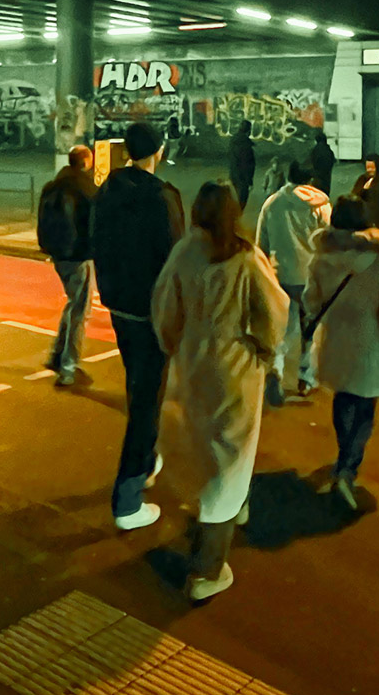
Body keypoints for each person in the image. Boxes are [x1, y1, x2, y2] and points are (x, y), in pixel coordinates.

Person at [153, 181, 289, 602]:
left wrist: (176, 344)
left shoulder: (184, 253)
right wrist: (264, 352)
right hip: (233, 365)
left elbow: (163, 310)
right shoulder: (245, 258)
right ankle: (207, 569)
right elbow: (273, 312)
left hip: (192, 360)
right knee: (232, 454)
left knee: (200, 445)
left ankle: (216, 514)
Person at [90, 120, 185, 531]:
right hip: (151, 309)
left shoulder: (108, 189)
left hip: (118, 304)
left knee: (139, 386)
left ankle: (146, 460)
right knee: (148, 398)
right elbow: (174, 256)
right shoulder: (163, 196)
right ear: (158, 152)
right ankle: (128, 498)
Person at [304, 194, 379, 506]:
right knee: (365, 409)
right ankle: (348, 467)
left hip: (336, 341)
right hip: (370, 342)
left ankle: (342, 458)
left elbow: (311, 302)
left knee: (343, 398)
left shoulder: (321, 258)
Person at [255, 159, 331, 405]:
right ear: (310, 180)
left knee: (281, 329)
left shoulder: (272, 204)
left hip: (281, 277)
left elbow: (261, 245)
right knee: (310, 330)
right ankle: (305, 379)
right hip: (312, 277)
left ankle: (275, 371)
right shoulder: (321, 206)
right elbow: (328, 243)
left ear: (287, 177)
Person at [37, 144, 96, 388]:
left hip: (58, 254)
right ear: (85, 161)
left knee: (73, 304)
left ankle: (56, 355)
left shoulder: (53, 185)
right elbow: (94, 221)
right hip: (78, 255)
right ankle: (69, 367)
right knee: (80, 310)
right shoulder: (84, 188)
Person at [228, 118, 256, 213]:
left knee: (233, 200)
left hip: (233, 176)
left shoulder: (233, 142)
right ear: (249, 131)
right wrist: (249, 181)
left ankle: (231, 222)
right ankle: (235, 221)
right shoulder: (246, 146)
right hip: (243, 179)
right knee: (241, 202)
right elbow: (247, 165)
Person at [307, 126, 336, 197]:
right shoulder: (328, 149)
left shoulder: (316, 149)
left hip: (317, 173)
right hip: (327, 173)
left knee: (318, 189)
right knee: (326, 187)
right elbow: (333, 160)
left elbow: (312, 160)